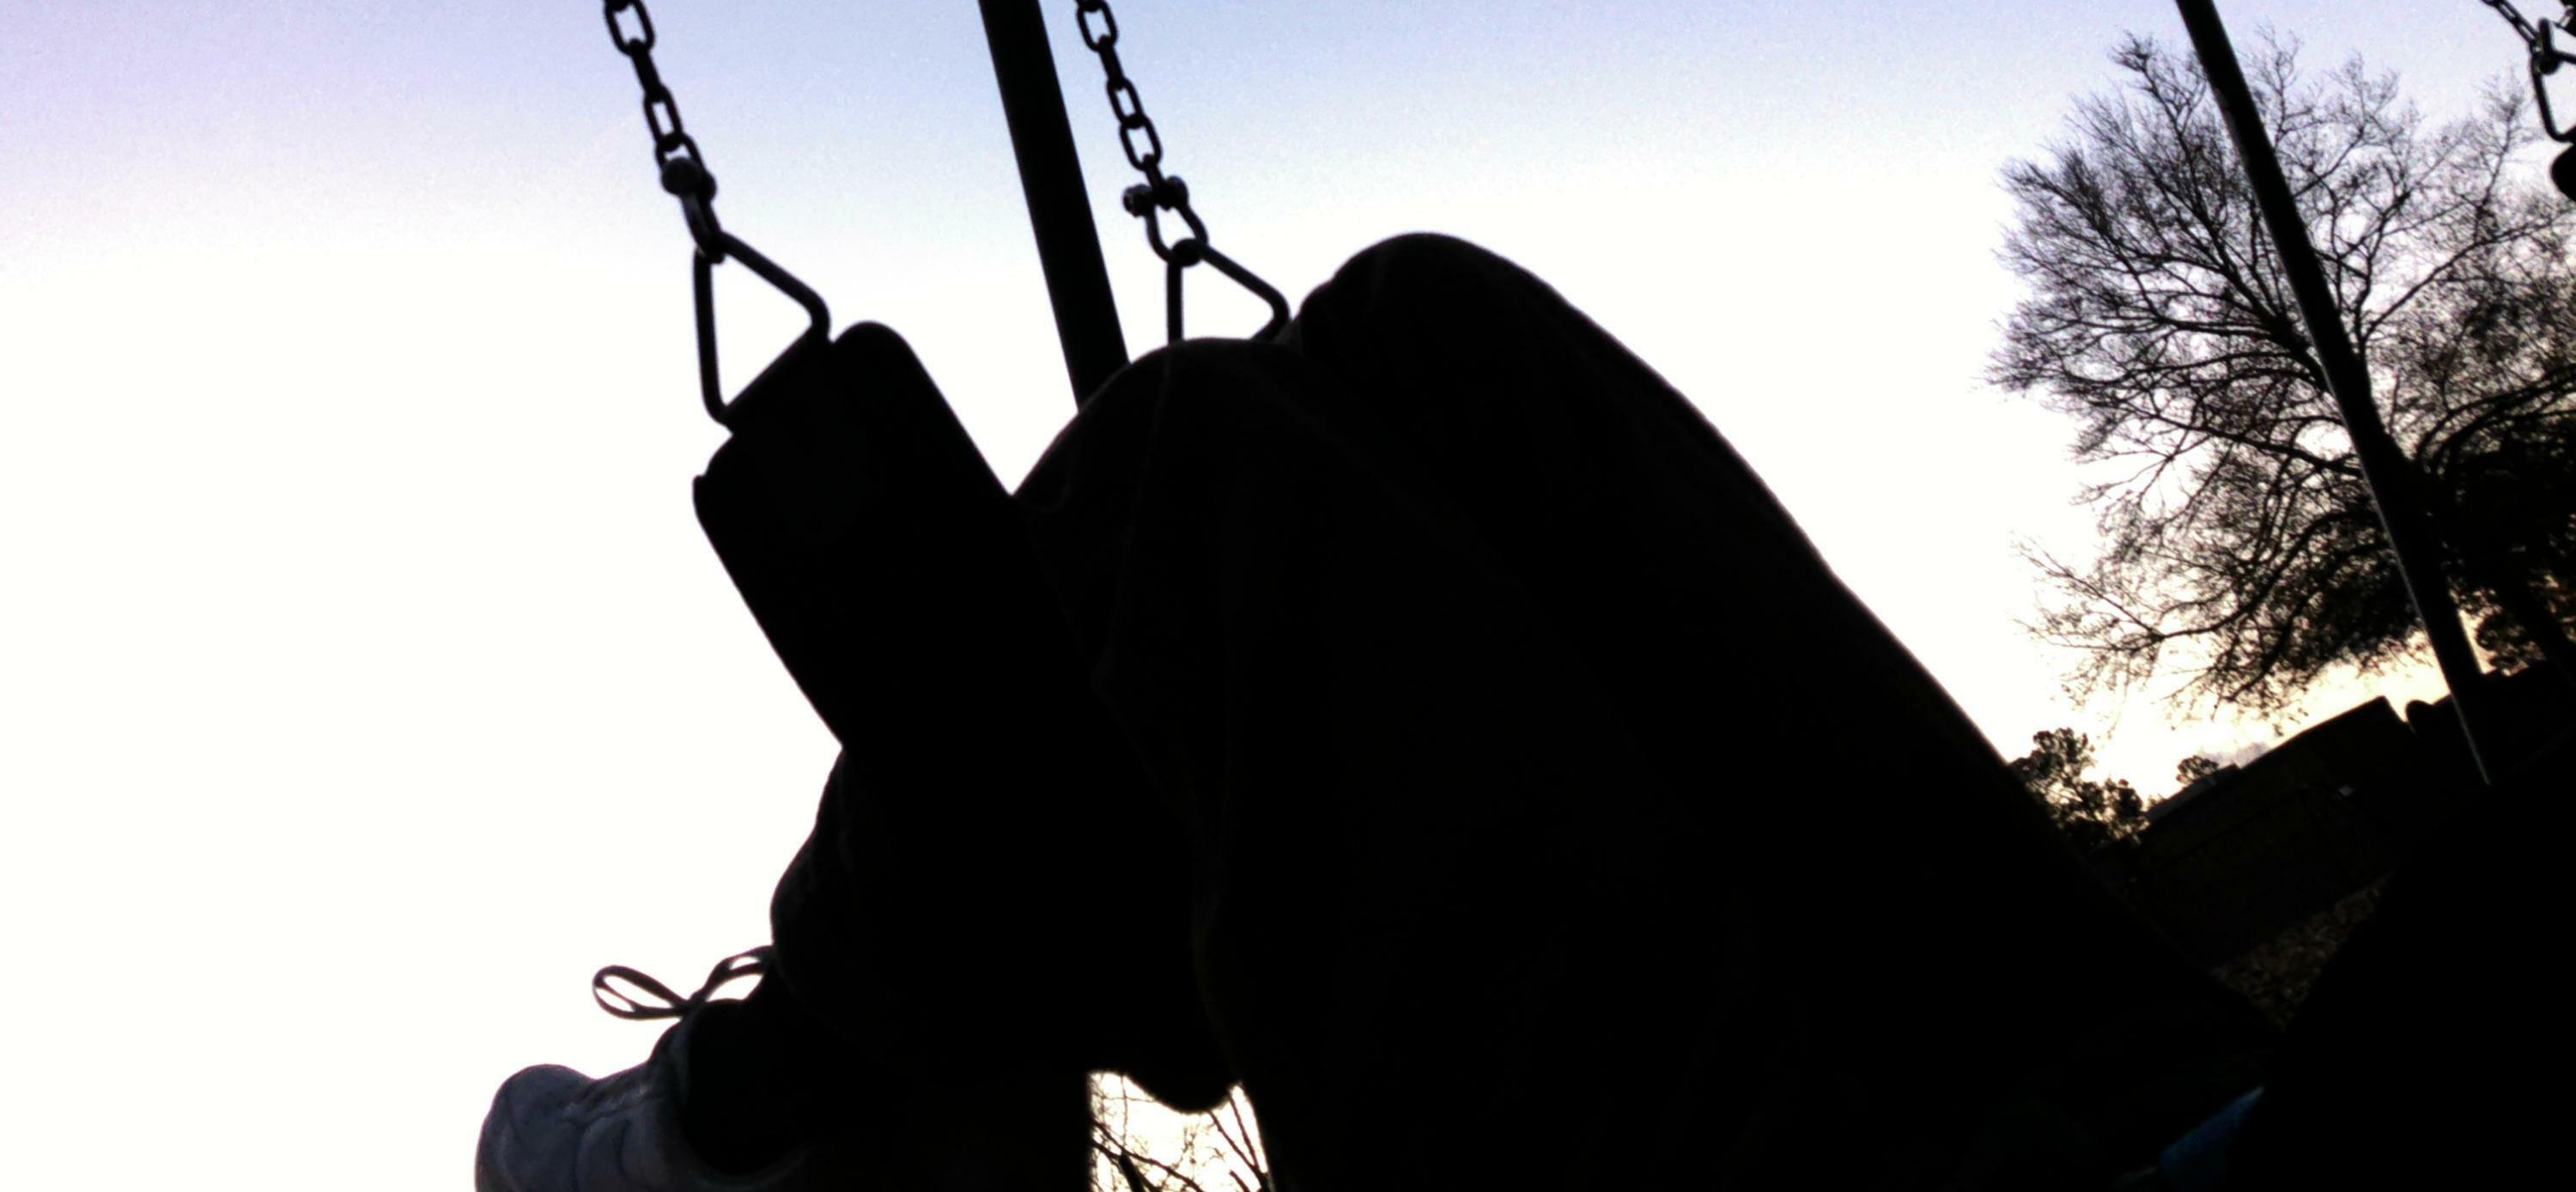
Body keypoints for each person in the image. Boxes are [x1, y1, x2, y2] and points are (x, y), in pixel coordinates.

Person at [476, 234, 2276, 1192]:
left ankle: (766, 1096)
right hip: (2113, 1085)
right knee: (1421, 325)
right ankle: (883, 1025)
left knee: (1194, 465)